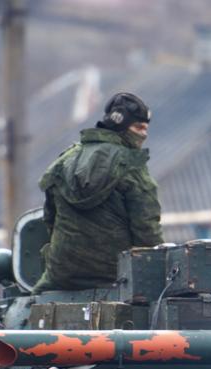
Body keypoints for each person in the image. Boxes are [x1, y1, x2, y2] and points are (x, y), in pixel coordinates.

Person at [31, 92, 163, 292]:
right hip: (116, 277)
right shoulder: (132, 166)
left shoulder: (66, 160)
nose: (144, 134)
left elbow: (50, 217)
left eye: (146, 129)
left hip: (61, 276)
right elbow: (147, 231)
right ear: (119, 124)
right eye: (138, 127)